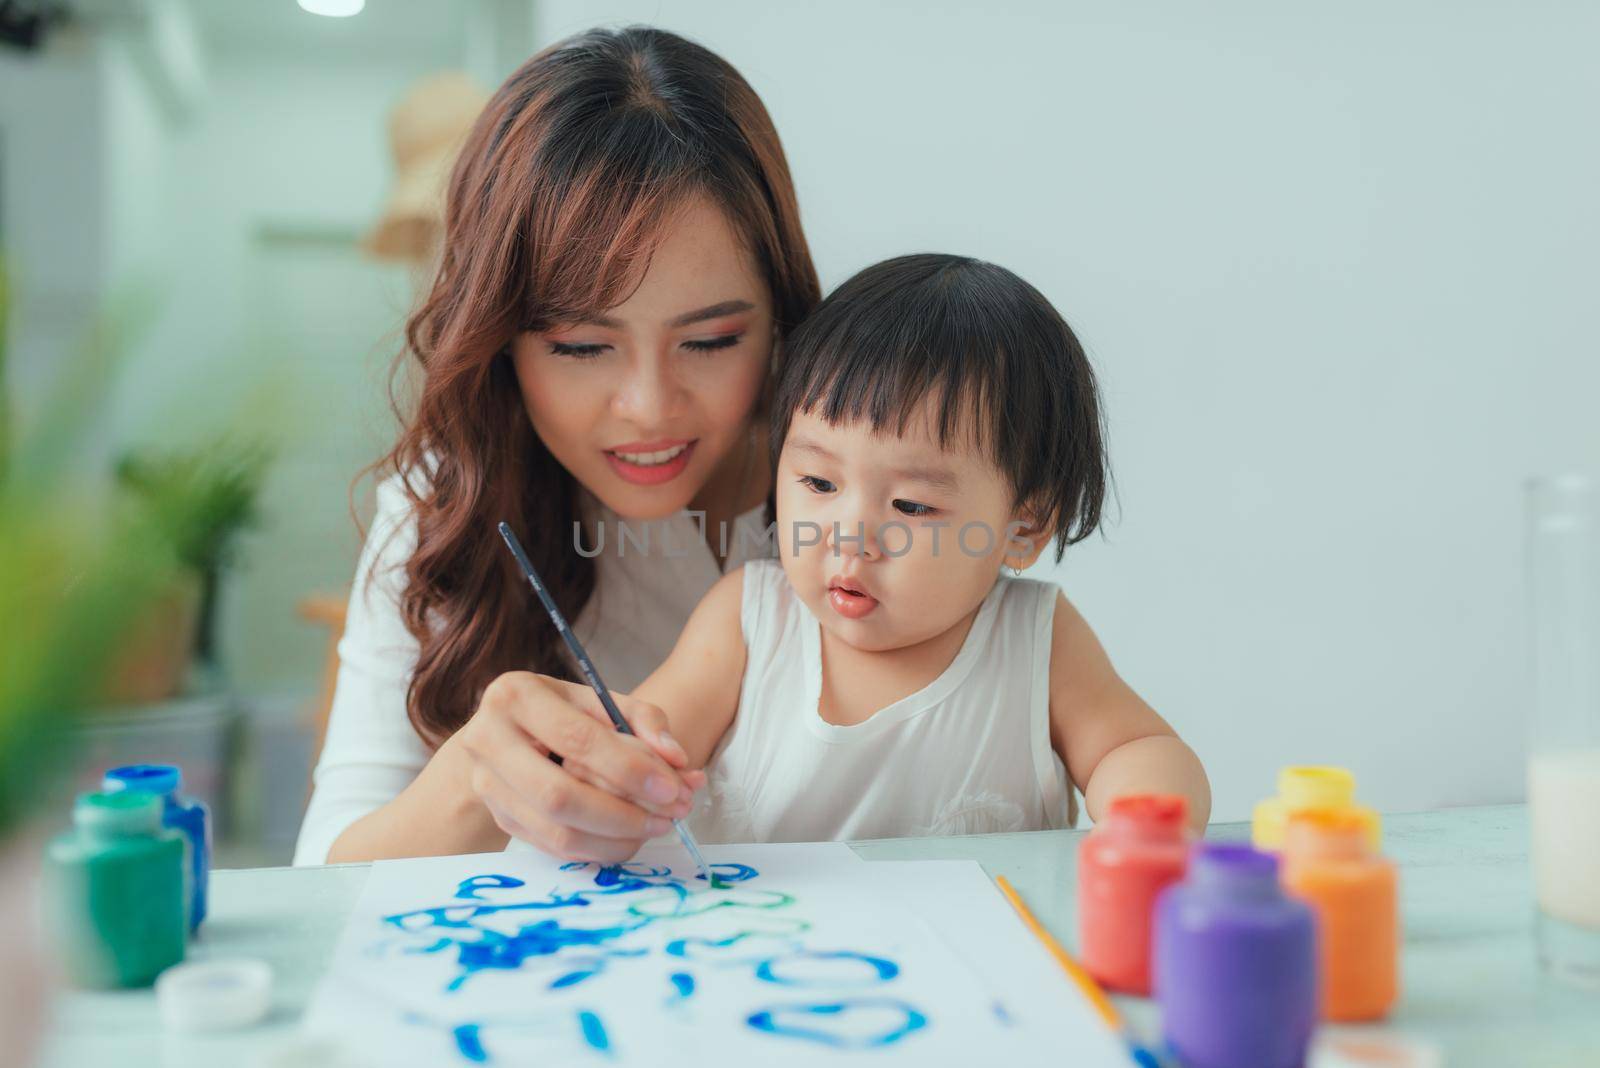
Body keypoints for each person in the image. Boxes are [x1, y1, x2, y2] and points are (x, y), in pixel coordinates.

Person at [294, 25, 820, 866]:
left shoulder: (865, 482)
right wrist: (474, 777)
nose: (648, 408)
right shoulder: (443, 503)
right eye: (580, 347)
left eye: (712, 340)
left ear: (781, 314)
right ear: (500, 340)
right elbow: (322, 876)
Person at [633, 254, 1211, 843]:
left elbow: (1136, 746)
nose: (849, 535)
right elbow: (648, 736)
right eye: (819, 483)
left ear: (1024, 527)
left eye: (911, 506)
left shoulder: (1037, 641)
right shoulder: (748, 621)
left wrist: (1144, 814)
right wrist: (625, 768)